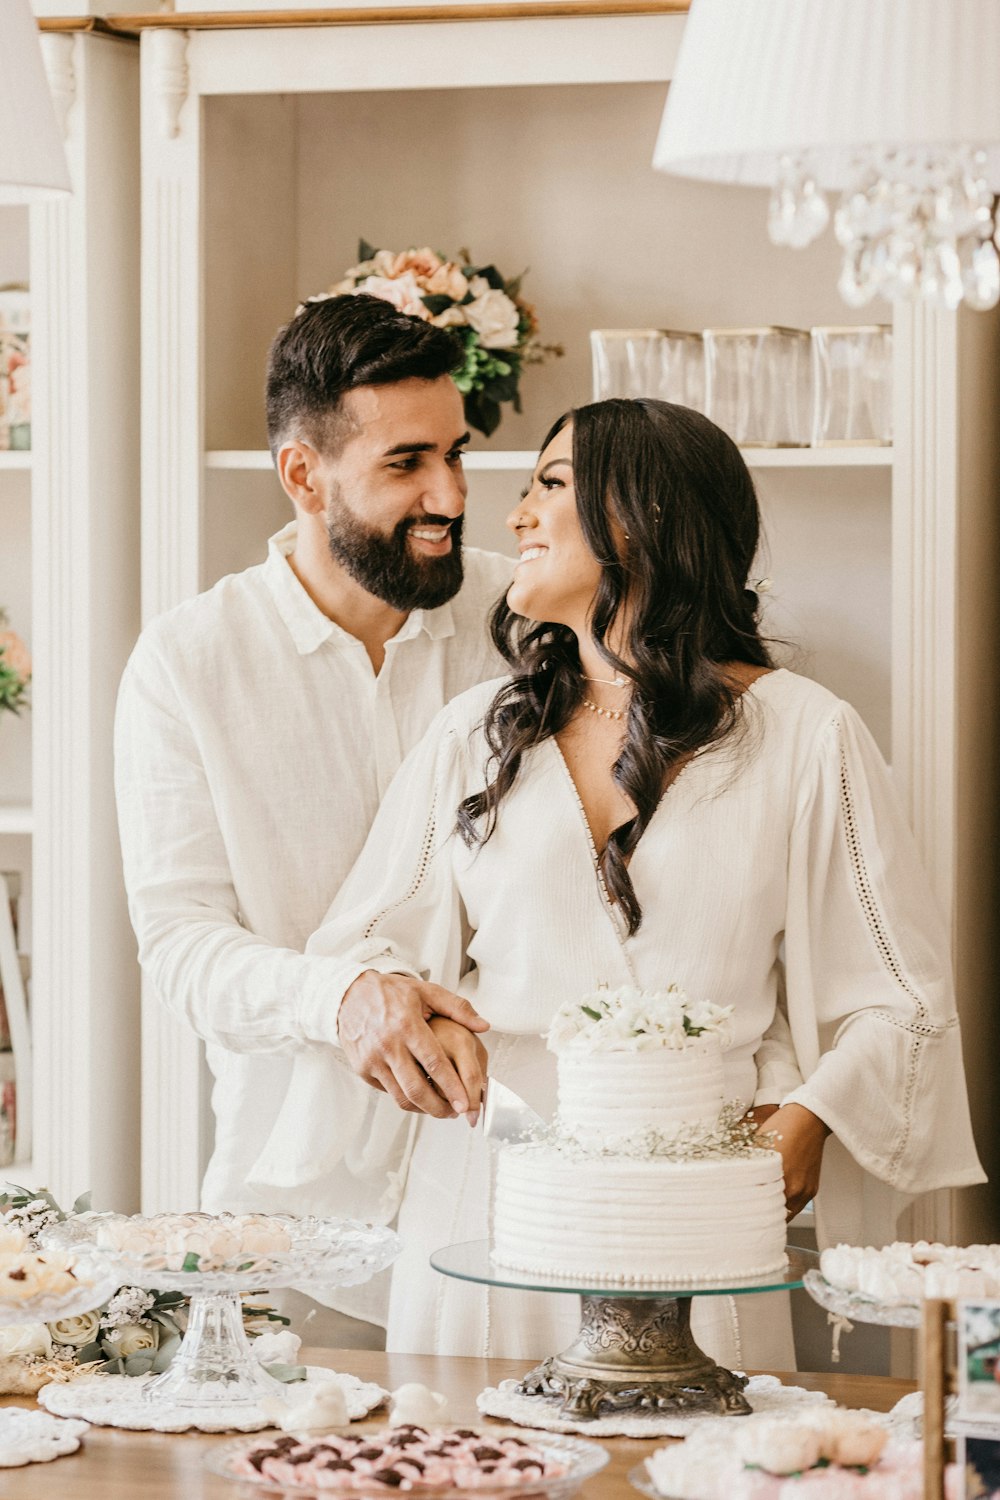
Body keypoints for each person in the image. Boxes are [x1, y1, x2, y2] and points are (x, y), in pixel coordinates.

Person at [251, 396, 985, 1366]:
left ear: (639, 518)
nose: (513, 516)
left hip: (699, 1215)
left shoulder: (810, 737)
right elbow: (366, 942)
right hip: (487, 1204)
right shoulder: (474, 736)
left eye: (550, 485)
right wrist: (397, 1010)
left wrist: (812, 1115)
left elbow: (906, 999)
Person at [114, 293, 513, 1341]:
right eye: (406, 464)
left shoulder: (521, 620)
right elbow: (179, 944)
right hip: (294, 1226)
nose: (450, 495)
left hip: (502, 1198)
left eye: (458, 456)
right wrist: (344, 1000)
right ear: (302, 474)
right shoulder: (188, 663)